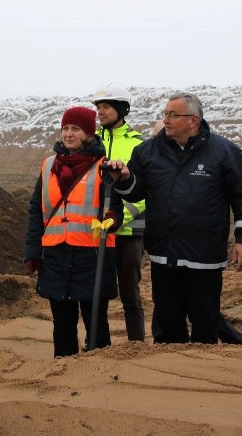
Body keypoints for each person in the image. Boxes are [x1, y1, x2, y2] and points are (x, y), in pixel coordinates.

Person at [107, 93, 242, 345]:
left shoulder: (225, 152)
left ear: (193, 120)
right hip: (164, 257)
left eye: (172, 115)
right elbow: (135, 192)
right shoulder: (147, 151)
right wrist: (123, 178)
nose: (166, 120)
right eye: (165, 114)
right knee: (167, 329)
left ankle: (202, 377)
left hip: (205, 258)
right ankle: (170, 377)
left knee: (205, 326)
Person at [24, 106, 124, 357]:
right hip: (56, 255)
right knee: (62, 323)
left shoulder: (104, 167)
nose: (69, 134)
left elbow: (117, 211)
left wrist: (112, 219)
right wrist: (33, 251)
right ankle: (64, 368)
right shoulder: (48, 166)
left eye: (75, 129)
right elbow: (37, 211)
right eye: (66, 128)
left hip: (92, 256)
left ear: (89, 134)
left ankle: (100, 368)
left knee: (96, 323)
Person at [91, 82, 148, 342]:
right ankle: (98, 344)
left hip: (128, 232)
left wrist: (119, 217)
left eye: (106, 107)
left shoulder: (139, 145)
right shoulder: (91, 142)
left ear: (121, 109)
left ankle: (136, 346)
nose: (100, 112)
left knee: (130, 295)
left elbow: (145, 192)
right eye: (98, 107)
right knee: (97, 292)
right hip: (96, 230)